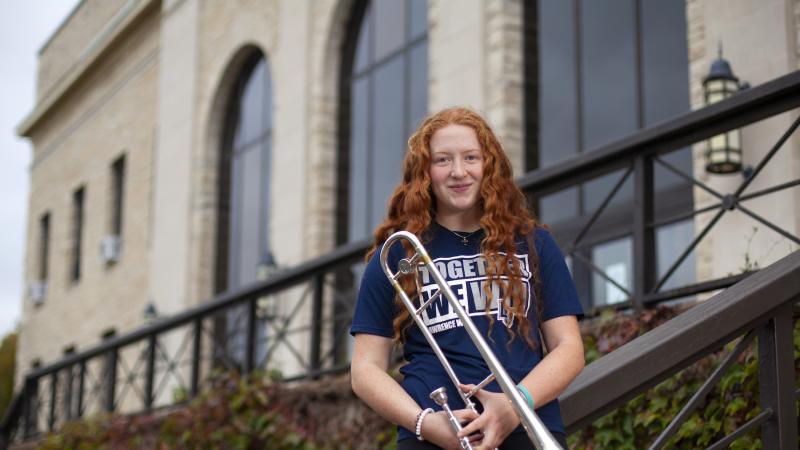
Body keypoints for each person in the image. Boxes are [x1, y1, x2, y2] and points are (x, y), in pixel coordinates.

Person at [350, 107, 584, 450]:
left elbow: (570, 349)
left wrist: (514, 405)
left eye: (471, 157)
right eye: (442, 160)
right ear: (424, 172)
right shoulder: (401, 253)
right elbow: (365, 370)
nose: (458, 172)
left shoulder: (534, 243)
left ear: (488, 164)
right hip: (433, 435)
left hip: (526, 425)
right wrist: (425, 423)